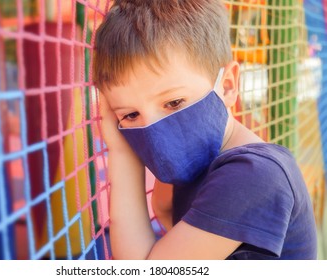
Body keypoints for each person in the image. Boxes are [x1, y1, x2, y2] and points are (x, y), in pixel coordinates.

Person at [93, 0, 317, 260]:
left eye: (174, 102)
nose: (153, 130)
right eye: (131, 115)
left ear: (229, 85)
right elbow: (165, 211)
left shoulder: (254, 176)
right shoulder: (201, 163)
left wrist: (122, 152)